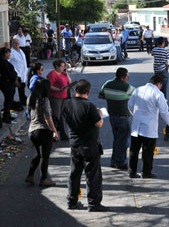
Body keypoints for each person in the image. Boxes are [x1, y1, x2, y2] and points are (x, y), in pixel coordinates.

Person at [63, 79, 108, 212]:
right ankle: (93, 203)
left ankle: (72, 200)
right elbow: (98, 123)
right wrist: (100, 114)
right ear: (87, 92)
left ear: (76, 90)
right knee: (92, 175)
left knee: (74, 174)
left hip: (75, 144)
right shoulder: (89, 106)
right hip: (89, 145)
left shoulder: (66, 103)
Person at [128, 74, 169, 179]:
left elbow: (130, 105)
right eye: (161, 85)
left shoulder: (137, 90)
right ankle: (146, 172)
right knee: (148, 151)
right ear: (158, 84)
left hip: (136, 125)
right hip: (149, 127)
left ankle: (132, 172)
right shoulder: (158, 94)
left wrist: (135, 115)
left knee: (134, 150)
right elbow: (164, 112)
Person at [99, 68, 135, 170]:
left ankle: (114, 160)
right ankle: (120, 161)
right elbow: (137, 96)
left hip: (112, 116)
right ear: (123, 77)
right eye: (127, 76)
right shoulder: (126, 87)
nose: (128, 78)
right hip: (123, 116)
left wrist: (112, 98)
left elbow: (101, 95)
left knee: (117, 139)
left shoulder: (107, 83)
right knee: (123, 141)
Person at [25, 78, 58, 187]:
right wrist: (55, 131)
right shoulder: (45, 100)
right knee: (44, 156)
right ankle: (43, 179)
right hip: (43, 131)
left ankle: (30, 175)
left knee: (38, 154)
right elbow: (48, 117)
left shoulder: (30, 98)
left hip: (32, 131)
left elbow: (29, 115)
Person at [47, 59, 72, 141]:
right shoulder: (52, 74)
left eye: (64, 66)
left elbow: (69, 82)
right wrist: (58, 89)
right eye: (62, 66)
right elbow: (49, 86)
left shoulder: (63, 74)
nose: (63, 68)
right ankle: (54, 134)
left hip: (64, 97)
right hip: (55, 97)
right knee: (55, 116)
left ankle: (64, 134)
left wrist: (67, 74)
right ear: (57, 66)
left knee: (63, 116)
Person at [0, 48, 18, 124]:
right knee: (8, 100)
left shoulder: (5, 62)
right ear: (5, 54)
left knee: (9, 100)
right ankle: (5, 117)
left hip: (9, 83)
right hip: (6, 83)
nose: (9, 55)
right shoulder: (3, 63)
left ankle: (7, 115)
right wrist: (14, 76)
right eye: (8, 53)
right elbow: (7, 73)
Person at [9, 39, 28, 106]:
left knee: (22, 89)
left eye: (18, 43)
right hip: (16, 74)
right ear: (12, 44)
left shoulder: (21, 50)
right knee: (12, 91)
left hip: (22, 73)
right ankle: (10, 103)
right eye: (15, 43)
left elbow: (24, 62)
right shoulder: (11, 52)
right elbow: (8, 63)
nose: (17, 44)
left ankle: (23, 101)